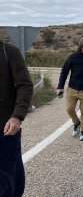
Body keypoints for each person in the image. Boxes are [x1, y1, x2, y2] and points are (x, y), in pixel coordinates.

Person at [0, 42, 33, 197]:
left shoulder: (9, 52)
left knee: (7, 175)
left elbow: (25, 85)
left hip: (5, 128)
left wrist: (17, 116)